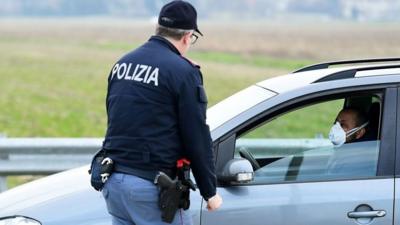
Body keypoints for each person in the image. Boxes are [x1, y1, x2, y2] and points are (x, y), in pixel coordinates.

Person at [100, 1, 222, 225]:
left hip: (114, 182)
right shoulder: (183, 72)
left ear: (158, 29)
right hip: (151, 191)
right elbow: (196, 135)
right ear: (187, 37)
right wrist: (209, 192)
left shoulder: (122, 63)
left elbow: (117, 115)